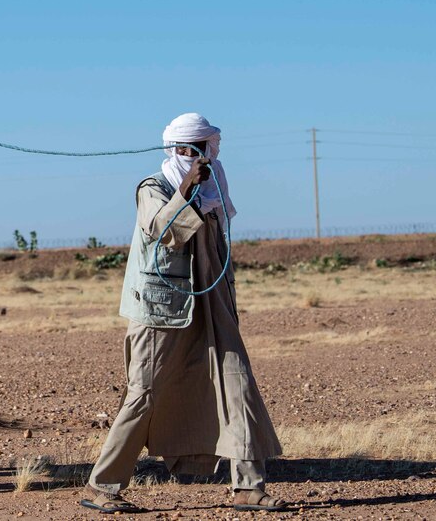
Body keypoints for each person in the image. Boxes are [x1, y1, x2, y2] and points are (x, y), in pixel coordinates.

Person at [83, 113, 287, 514]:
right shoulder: (153, 187)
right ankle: (100, 487)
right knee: (145, 394)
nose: (198, 155)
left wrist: (201, 188)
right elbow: (162, 230)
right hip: (163, 311)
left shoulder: (214, 190)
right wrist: (186, 188)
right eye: (189, 148)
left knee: (237, 386)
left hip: (212, 307)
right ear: (175, 148)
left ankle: (248, 486)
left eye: (204, 147)